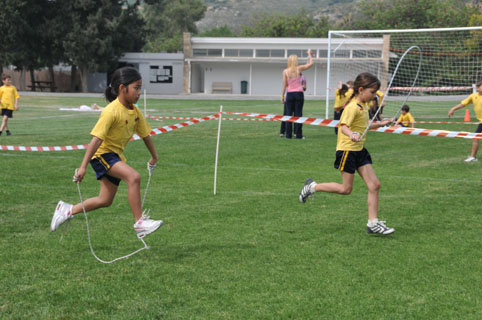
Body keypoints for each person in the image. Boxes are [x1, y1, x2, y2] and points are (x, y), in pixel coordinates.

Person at [50, 67, 163, 239]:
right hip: (102, 155)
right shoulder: (111, 111)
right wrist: (82, 167)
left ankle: (67, 210)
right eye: (136, 88)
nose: (139, 92)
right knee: (134, 177)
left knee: (105, 200)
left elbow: (145, 135)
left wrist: (154, 156)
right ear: (122, 88)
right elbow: (96, 140)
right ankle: (140, 223)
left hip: (115, 157)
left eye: (140, 88)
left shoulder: (135, 111)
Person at [298, 72, 395, 235]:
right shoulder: (351, 107)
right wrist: (352, 134)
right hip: (347, 151)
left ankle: (373, 223)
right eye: (372, 92)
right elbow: (343, 126)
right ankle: (312, 187)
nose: (373, 96)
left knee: (374, 185)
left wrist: (382, 123)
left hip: (360, 151)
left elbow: (364, 126)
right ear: (361, 89)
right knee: (346, 189)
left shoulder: (363, 106)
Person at [281, 50, 313, 139]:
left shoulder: (285, 71)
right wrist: (309, 54)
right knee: (298, 114)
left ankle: (288, 135)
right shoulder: (299, 68)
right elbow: (311, 64)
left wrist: (282, 96)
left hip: (290, 94)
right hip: (299, 93)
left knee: (288, 115)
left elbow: (284, 85)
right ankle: (298, 135)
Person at [448, 80, 482, 162]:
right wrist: (453, 109)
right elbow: (463, 104)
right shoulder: (473, 96)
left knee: (475, 137)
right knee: (475, 137)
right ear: (477, 87)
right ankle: (473, 157)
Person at [280, 73, 307, 137]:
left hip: (298, 96)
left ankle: (296, 133)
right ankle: (283, 132)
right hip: (290, 96)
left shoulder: (303, 77)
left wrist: (303, 87)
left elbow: (305, 87)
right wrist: (282, 96)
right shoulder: (290, 75)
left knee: (297, 115)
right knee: (287, 115)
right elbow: (285, 85)